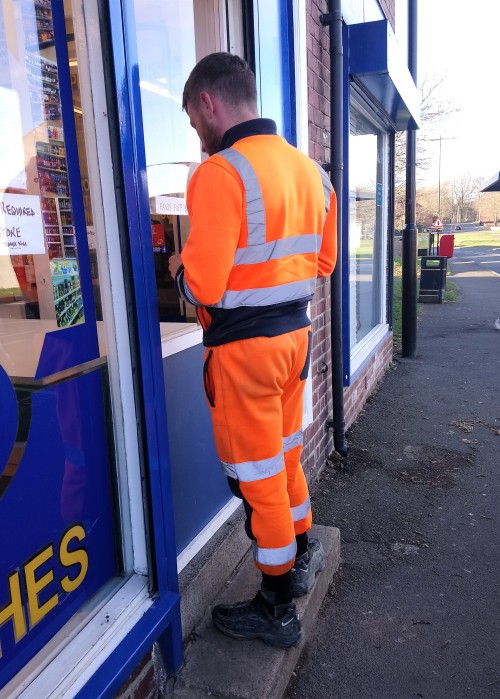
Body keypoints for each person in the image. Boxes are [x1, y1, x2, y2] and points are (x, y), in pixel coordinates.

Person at [168, 52, 337, 648]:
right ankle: (302, 547)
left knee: (258, 478)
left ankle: (276, 606)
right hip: (295, 340)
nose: (197, 132)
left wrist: (178, 267)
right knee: (284, 457)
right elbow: (323, 263)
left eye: (193, 119)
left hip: (243, 352)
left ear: (209, 103)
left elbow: (203, 287)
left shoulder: (220, 174)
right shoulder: (313, 172)